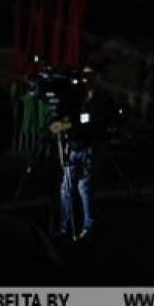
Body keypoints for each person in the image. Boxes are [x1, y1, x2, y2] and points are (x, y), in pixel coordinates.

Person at [50, 66, 113, 241]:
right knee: (66, 188)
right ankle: (64, 227)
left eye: (89, 76)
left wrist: (71, 125)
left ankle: (87, 225)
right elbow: (66, 117)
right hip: (74, 145)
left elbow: (99, 121)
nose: (85, 80)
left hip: (91, 146)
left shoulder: (101, 97)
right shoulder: (74, 96)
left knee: (84, 187)